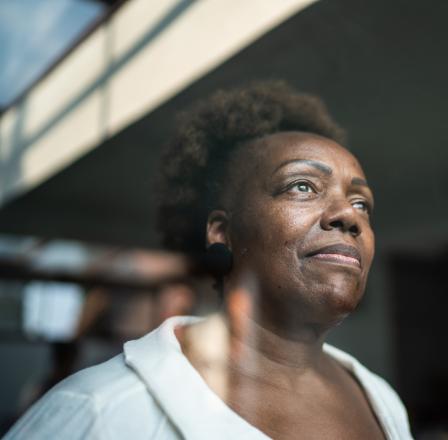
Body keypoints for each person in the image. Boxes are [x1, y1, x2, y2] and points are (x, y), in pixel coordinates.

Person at [5, 81, 413, 439]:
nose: (349, 215)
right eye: (303, 186)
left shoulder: (380, 398)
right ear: (221, 231)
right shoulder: (99, 412)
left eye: (362, 203)